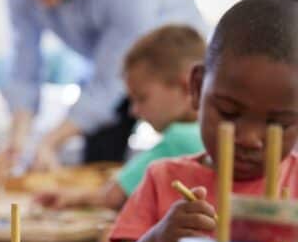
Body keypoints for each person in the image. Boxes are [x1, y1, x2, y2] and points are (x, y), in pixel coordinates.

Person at [103, 0, 298, 242]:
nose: (248, 138)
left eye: (279, 125)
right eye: (229, 113)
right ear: (196, 88)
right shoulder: (164, 180)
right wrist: (159, 240)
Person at [0, 0, 206, 170]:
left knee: (182, 148)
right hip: (118, 67)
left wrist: (50, 141)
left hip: (174, 62)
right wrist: (19, 138)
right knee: (99, 154)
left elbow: (109, 81)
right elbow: (24, 68)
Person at [37, 25, 205, 210]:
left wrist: (72, 197)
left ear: (187, 86)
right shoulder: (206, 135)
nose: (134, 111)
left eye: (141, 98)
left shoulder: (181, 138)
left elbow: (113, 195)